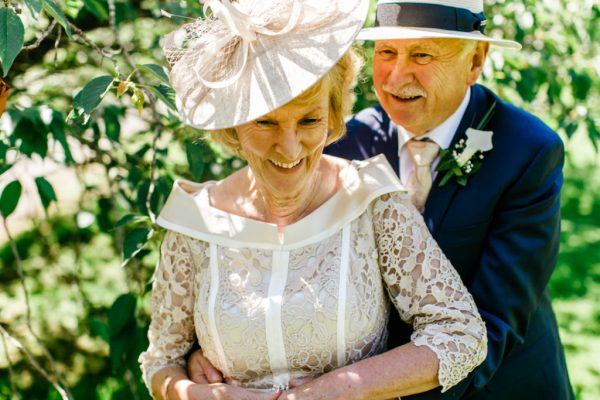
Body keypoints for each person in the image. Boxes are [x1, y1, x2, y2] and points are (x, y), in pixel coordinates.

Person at [188, 0, 574, 399]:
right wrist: (222, 350)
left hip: (503, 387)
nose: (396, 74)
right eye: (386, 52)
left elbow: (494, 323)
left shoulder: (528, 151)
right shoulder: (345, 143)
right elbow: (286, 269)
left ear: (475, 60)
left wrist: (376, 389)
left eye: (421, 54)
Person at [139, 0, 488, 399]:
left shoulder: (372, 201)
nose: (289, 148)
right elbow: (160, 361)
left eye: (308, 120)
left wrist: (338, 389)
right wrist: (195, 393)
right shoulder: (195, 223)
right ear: (234, 122)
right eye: (265, 121)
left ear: (334, 113)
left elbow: (461, 334)